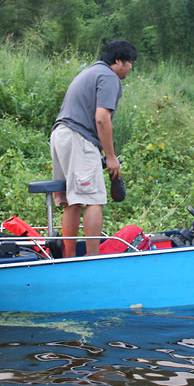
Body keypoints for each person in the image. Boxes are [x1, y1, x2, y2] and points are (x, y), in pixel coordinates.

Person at [50, 40, 137, 257]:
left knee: (74, 200)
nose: (130, 68)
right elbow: (102, 119)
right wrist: (110, 156)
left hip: (61, 135)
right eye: (129, 63)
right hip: (78, 137)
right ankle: (92, 259)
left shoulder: (90, 72)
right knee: (94, 198)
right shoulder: (109, 77)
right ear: (118, 61)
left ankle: (68, 259)